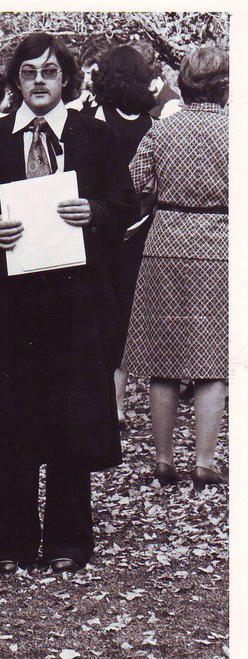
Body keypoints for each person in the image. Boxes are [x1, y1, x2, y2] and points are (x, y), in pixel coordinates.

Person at [0, 33, 137, 574]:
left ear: (67, 80)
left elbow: (125, 206)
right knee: (13, 423)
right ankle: (11, 540)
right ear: (16, 80)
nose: (40, 80)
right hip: (10, 309)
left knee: (72, 421)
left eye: (51, 71)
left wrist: (96, 214)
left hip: (76, 304)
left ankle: (68, 538)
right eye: (30, 71)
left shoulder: (95, 136)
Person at [122, 46, 229, 488]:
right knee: (213, 360)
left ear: (183, 84)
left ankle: (163, 459)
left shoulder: (163, 130)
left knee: (162, 356)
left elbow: (131, 181)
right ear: (225, 87)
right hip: (221, 243)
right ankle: (205, 460)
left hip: (165, 240)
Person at [88, 45, 157, 425]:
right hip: (141, 235)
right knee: (126, 317)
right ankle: (117, 404)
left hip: (100, 231)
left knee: (103, 314)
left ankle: (105, 403)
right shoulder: (152, 126)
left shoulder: (95, 119)